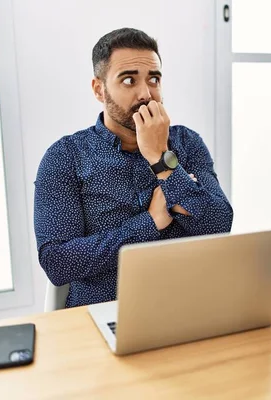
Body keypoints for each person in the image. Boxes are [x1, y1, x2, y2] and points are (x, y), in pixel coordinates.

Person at [33, 28, 233, 308]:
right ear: (99, 89)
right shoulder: (65, 157)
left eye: (154, 79)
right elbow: (58, 263)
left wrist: (161, 160)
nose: (146, 94)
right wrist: (149, 223)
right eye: (129, 80)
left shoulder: (186, 143)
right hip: (102, 314)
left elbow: (218, 225)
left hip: (187, 307)